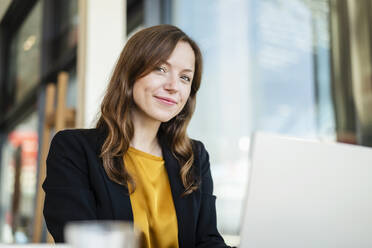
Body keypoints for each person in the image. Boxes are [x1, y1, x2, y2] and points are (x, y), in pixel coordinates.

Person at [43, 24, 231, 248]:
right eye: (161, 69)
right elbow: (81, 241)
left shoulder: (194, 157)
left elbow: (208, 242)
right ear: (130, 73)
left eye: (185, 78)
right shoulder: (73, 149)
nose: (173, 86)